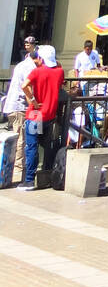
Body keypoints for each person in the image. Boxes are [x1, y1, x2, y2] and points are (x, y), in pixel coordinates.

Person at [20, 45, 65, 190]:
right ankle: (46, 175)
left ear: (42, 58)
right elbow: (58, 65)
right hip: (50, 115)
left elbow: (24, 85)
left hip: (35, 114)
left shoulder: (37, 72)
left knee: (32, 147)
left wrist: (32, 100)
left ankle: (28, 181)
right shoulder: (59, 72)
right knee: (47, 146)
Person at [2, 38, 38, 183]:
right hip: (19, 107)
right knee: (20, 140)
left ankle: (14, 169)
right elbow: (26, 88)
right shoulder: (29, 68)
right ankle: (17, 171)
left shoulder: (22, 65)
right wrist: (34, 103)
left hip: (14, 106)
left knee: (17, 138)